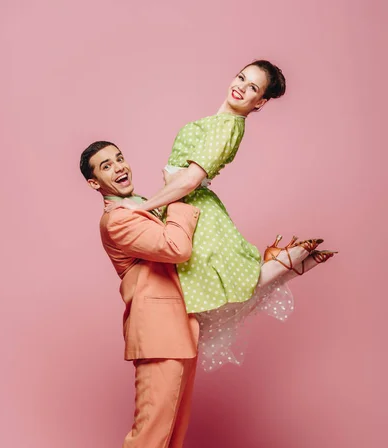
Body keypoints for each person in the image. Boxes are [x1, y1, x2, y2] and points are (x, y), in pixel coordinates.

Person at [113, 60, 336, 370]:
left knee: (214, 291)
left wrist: (143, 207)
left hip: (195, 211)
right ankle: (287, 264)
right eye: (242, 77)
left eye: (253, 88)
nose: (241, 87)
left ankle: (286, 264)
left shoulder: (229, 125)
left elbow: (190, 179)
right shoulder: (222, 121)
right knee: (207, 290)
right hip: (185, 207)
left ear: (260, 103)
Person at [80, 141, 202, 448]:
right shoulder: (118, 219)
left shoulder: (142, 207)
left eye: (119, 158)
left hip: (180, 328)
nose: (118, 167)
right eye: (105, 166)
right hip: (155, 332)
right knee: (148, 434)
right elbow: (176, 247)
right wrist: (183, 201)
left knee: (172, 433)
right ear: (95, 183)